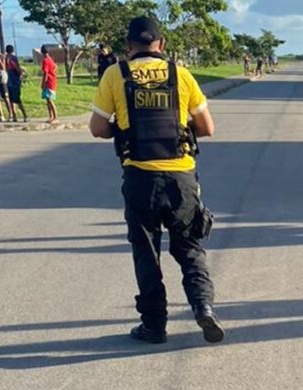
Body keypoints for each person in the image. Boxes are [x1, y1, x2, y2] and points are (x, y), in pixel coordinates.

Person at [89, 16, 224, 344]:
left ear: (128, 46)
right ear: (161, 45)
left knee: (147, 253)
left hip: (140, 179)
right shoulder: (181, 74)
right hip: (181, 178)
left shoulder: (115, 74)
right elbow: (207, 128)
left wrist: (122, 127)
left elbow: (97, 128)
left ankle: (154, 325)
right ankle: (203, 306)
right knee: (190, 245)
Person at [3, 45, 27, 122]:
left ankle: (15, 116)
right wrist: (21, 74)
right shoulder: (13, 58)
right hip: (15, 81)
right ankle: (24, 115)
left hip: (9, 81)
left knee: (11, 100)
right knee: (17, 100)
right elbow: (17, 68)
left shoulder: (5, 58)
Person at [40, 45, 58, 123]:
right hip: (52, 81)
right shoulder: (50, 59)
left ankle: (55, 117)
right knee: (47, 100)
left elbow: (45, 73)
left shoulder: (45, 60)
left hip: (49, 82)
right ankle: (51, 116)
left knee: (50, 100)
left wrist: (43, 83)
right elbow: (55, 67)